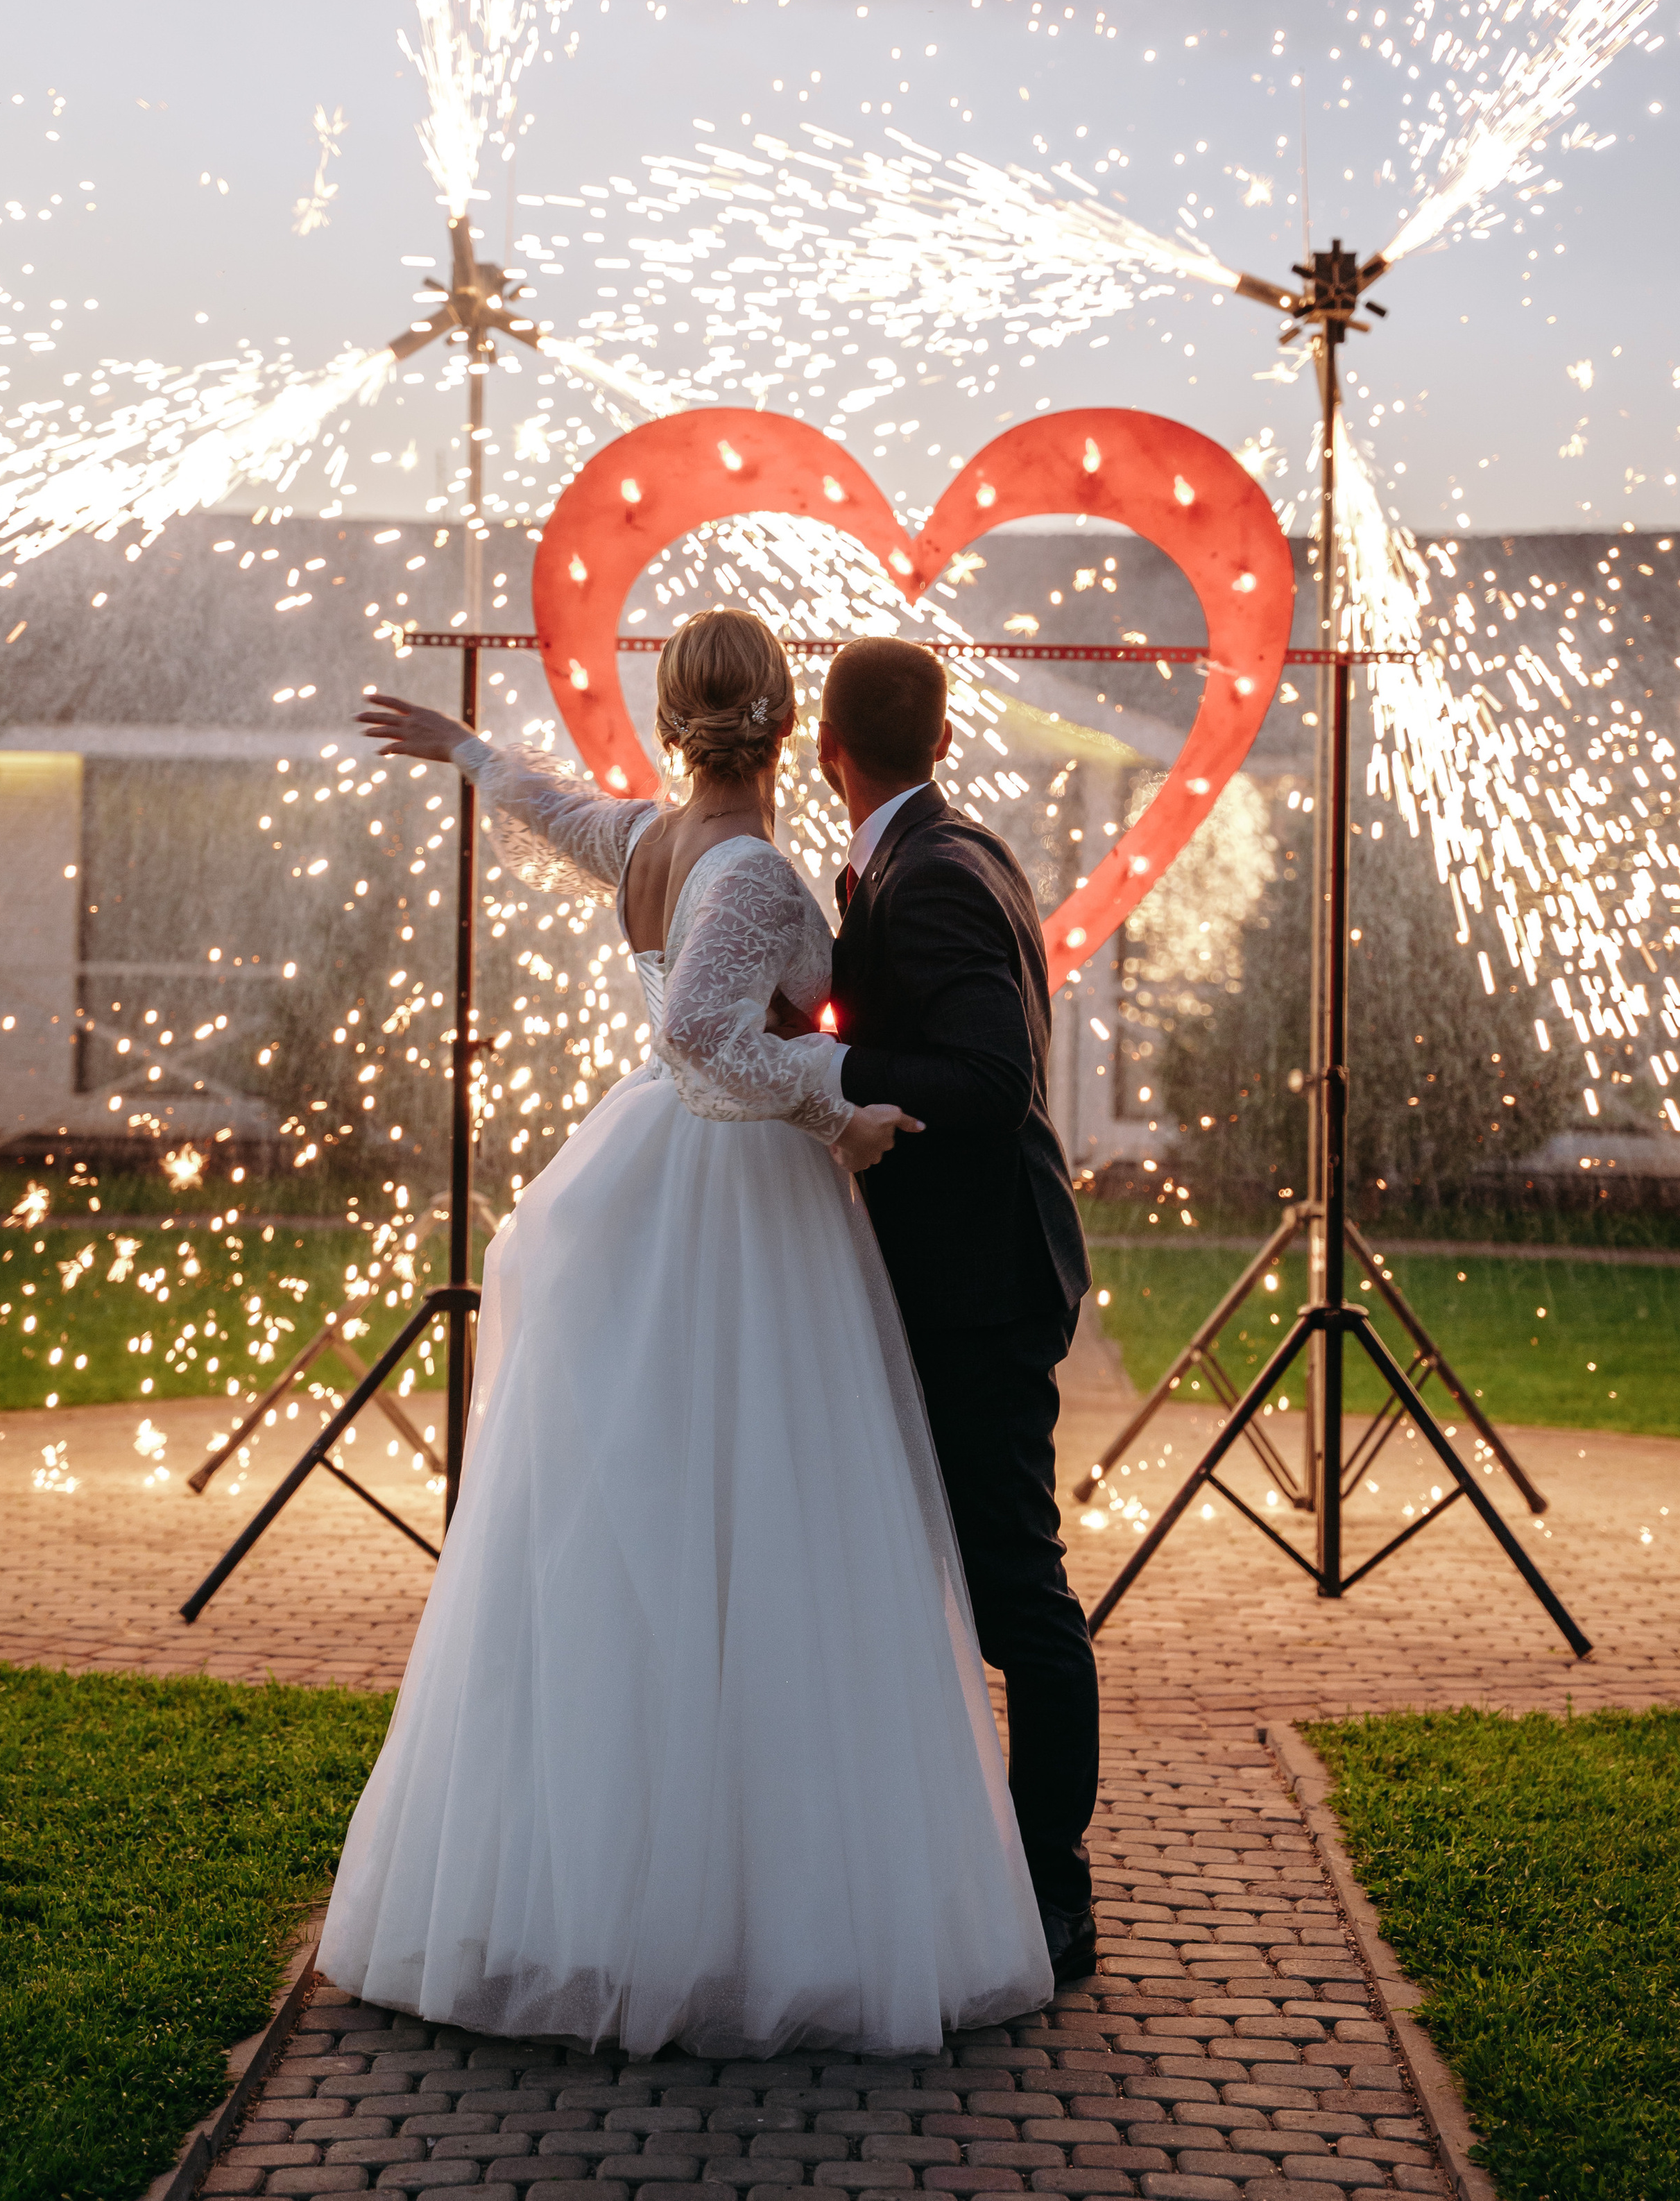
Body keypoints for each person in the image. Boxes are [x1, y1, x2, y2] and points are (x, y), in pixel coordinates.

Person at [318, 607, 1053, 2058]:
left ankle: (606, 1881)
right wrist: (843, 1107)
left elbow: (558, 812)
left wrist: (467, 747)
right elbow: (701, 1039)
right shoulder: (760, 873)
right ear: (791, 732)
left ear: (683, 722)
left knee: (633, 1534)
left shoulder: (650, 844)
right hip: (737, 1207)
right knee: (773, 1531)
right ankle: (745, 1913)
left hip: (646, 1198)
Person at [818, 636, 1101, 1989]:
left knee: (1016, 1595)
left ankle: (1053, 1890)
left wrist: (824, 1062)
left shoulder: (927, 877)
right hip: (961, 1272)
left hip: (981, 1286)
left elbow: (987, 1080)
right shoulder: (952, 847)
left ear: (828, 751)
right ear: (935, 741)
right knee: (969, 1579)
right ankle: (986, 1863)